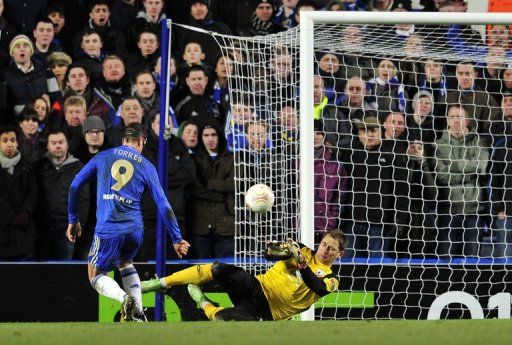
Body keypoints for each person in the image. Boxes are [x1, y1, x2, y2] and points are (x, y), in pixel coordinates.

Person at [66, 122, 190, 322]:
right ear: (142, 141)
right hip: (135, 229)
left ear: (123, 140)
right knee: (125, 263)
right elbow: (164, 205)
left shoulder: (104, 156)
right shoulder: (147, 166)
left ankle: (124, 298)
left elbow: (75, 185)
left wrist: (73, 218)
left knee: (95, 276)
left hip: (109, 228)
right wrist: (176, 238)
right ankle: (139, 315)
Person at [141, 230, 346, 321]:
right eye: (325, 244)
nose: (325, 250)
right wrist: (277, 250)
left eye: (332, 249)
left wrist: (301, 264)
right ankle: (159, 282)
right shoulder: (302, 250)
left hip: (268, 313)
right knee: (219, 269)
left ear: (339, 254)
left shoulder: (332, 278)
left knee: (226, 319)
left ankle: (203, 302)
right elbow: (268, 254)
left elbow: (317, 287)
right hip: (255, 286)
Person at [0, 125, 38, 260]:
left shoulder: (27, 166)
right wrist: (10, 216)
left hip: (24, 229)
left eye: (12, 140)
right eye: (5, 141)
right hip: (3, 229)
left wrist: (25, 212)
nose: (9, 144)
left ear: (17, 142)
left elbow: (33, 192)